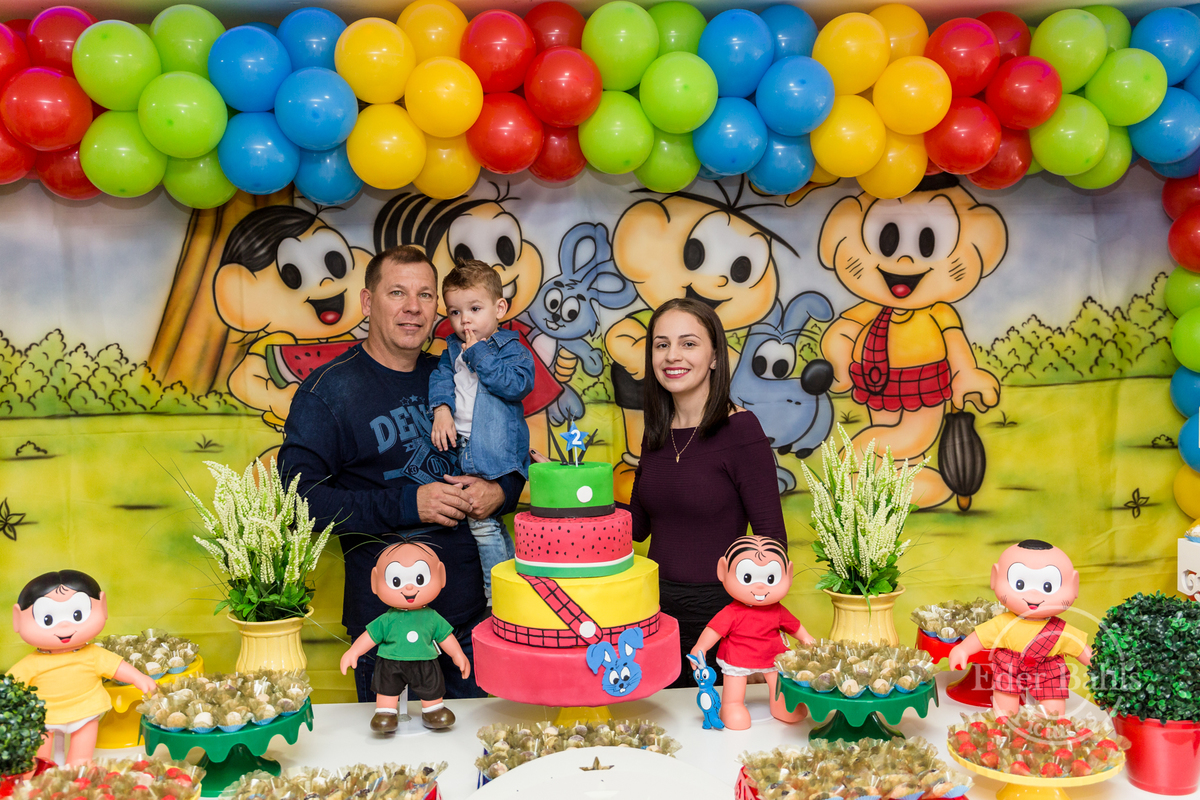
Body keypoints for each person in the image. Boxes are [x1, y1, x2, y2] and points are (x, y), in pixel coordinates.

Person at [278, 245, 525, 704]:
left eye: (425, 295)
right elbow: (298, 503)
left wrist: (501, 492)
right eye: (397, 293)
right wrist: (410, 504)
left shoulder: (457, 372)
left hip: (471, 622)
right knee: (391, 748)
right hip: (386, 634)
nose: (413, 307)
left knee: (476, 745)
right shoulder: (328, 392)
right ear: (367, 302)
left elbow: (508, 451)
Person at [625, 297, 789, 688]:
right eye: (662, 344)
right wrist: (572, 484)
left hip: (722, 621)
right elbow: (637, 528)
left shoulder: (741, 430)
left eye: (688, 343)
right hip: (654, 615)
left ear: (715, 356)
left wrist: (754, 631)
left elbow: (772, 541)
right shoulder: (655, 432)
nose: (672, 355)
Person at [430, 260, 534, 603]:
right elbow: (441, 379)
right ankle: (514, 585)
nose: (465, 320)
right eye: (455, 312)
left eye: (475, 309)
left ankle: (497, 596)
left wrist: (479, 353)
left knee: (480, 521)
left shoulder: (512, 349)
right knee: (488, 521)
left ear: (499, 308)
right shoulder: (451, 349)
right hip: (462, 445)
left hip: (494, 447)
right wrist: (441, 410)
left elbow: (516, 385)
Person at [8, 570, 158, 765]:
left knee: (82, 753)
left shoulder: (93, 654)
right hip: (43, 715)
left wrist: (139, 677)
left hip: (85, 710)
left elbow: (116, 666)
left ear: (103, 607)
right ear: (18, 619)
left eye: (77, 615)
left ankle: (78, 769)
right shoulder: (32, 663)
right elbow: (9, 686)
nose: (64, 626)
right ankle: (38, 771)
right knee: (37, 755)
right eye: (48, 619)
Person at [340, 541, 470, 732]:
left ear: (441, 576)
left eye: (419, 578)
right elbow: (370, 636)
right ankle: (386, 712)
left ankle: (433, 709)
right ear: (375, 582)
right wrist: (354, 652)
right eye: (396, 581)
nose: (409, 587)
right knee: (387, 687)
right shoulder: (387, 619)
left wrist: (457, 654)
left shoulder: (432, 617)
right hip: (390, 663)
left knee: (431, 686)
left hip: (425, 663)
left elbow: (445, 637)